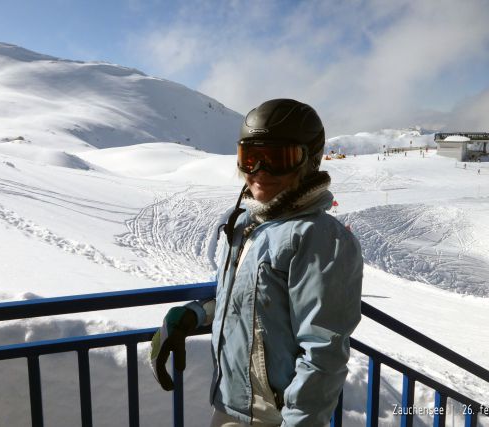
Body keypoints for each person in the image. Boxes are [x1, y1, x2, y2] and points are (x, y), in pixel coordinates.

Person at [150, 99, 364, 426]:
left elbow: (323, 356)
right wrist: (195, 315)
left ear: (309, 162)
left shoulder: (318, 239)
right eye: (250, 158)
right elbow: (249, 302)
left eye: (277, 159)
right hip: (231, 404)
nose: (260, 171)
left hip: (273, 418)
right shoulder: (250, 224)